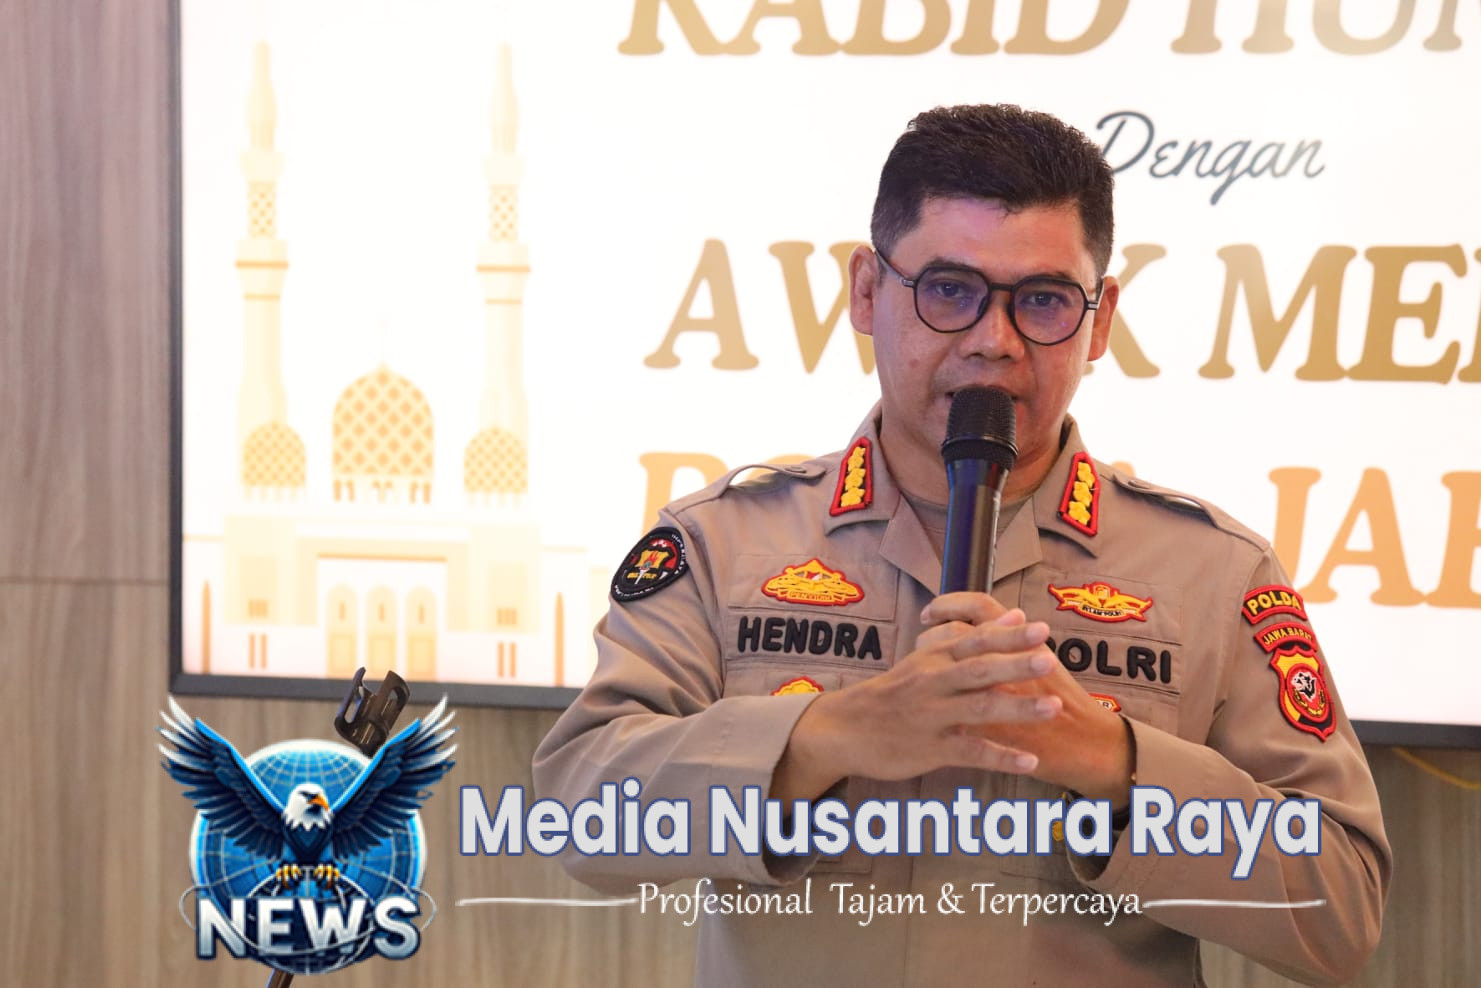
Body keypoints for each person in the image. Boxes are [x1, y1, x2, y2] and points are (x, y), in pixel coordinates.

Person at [533, 104, 1390, 986]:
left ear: (1098, 321)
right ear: (867, 291)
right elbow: (578, 813)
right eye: (948, 289)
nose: (993, 341)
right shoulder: (721, 540)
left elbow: (1342, 912)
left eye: (1044, 301)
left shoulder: (1212, 571)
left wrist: (1111, 761)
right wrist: (826, 737)